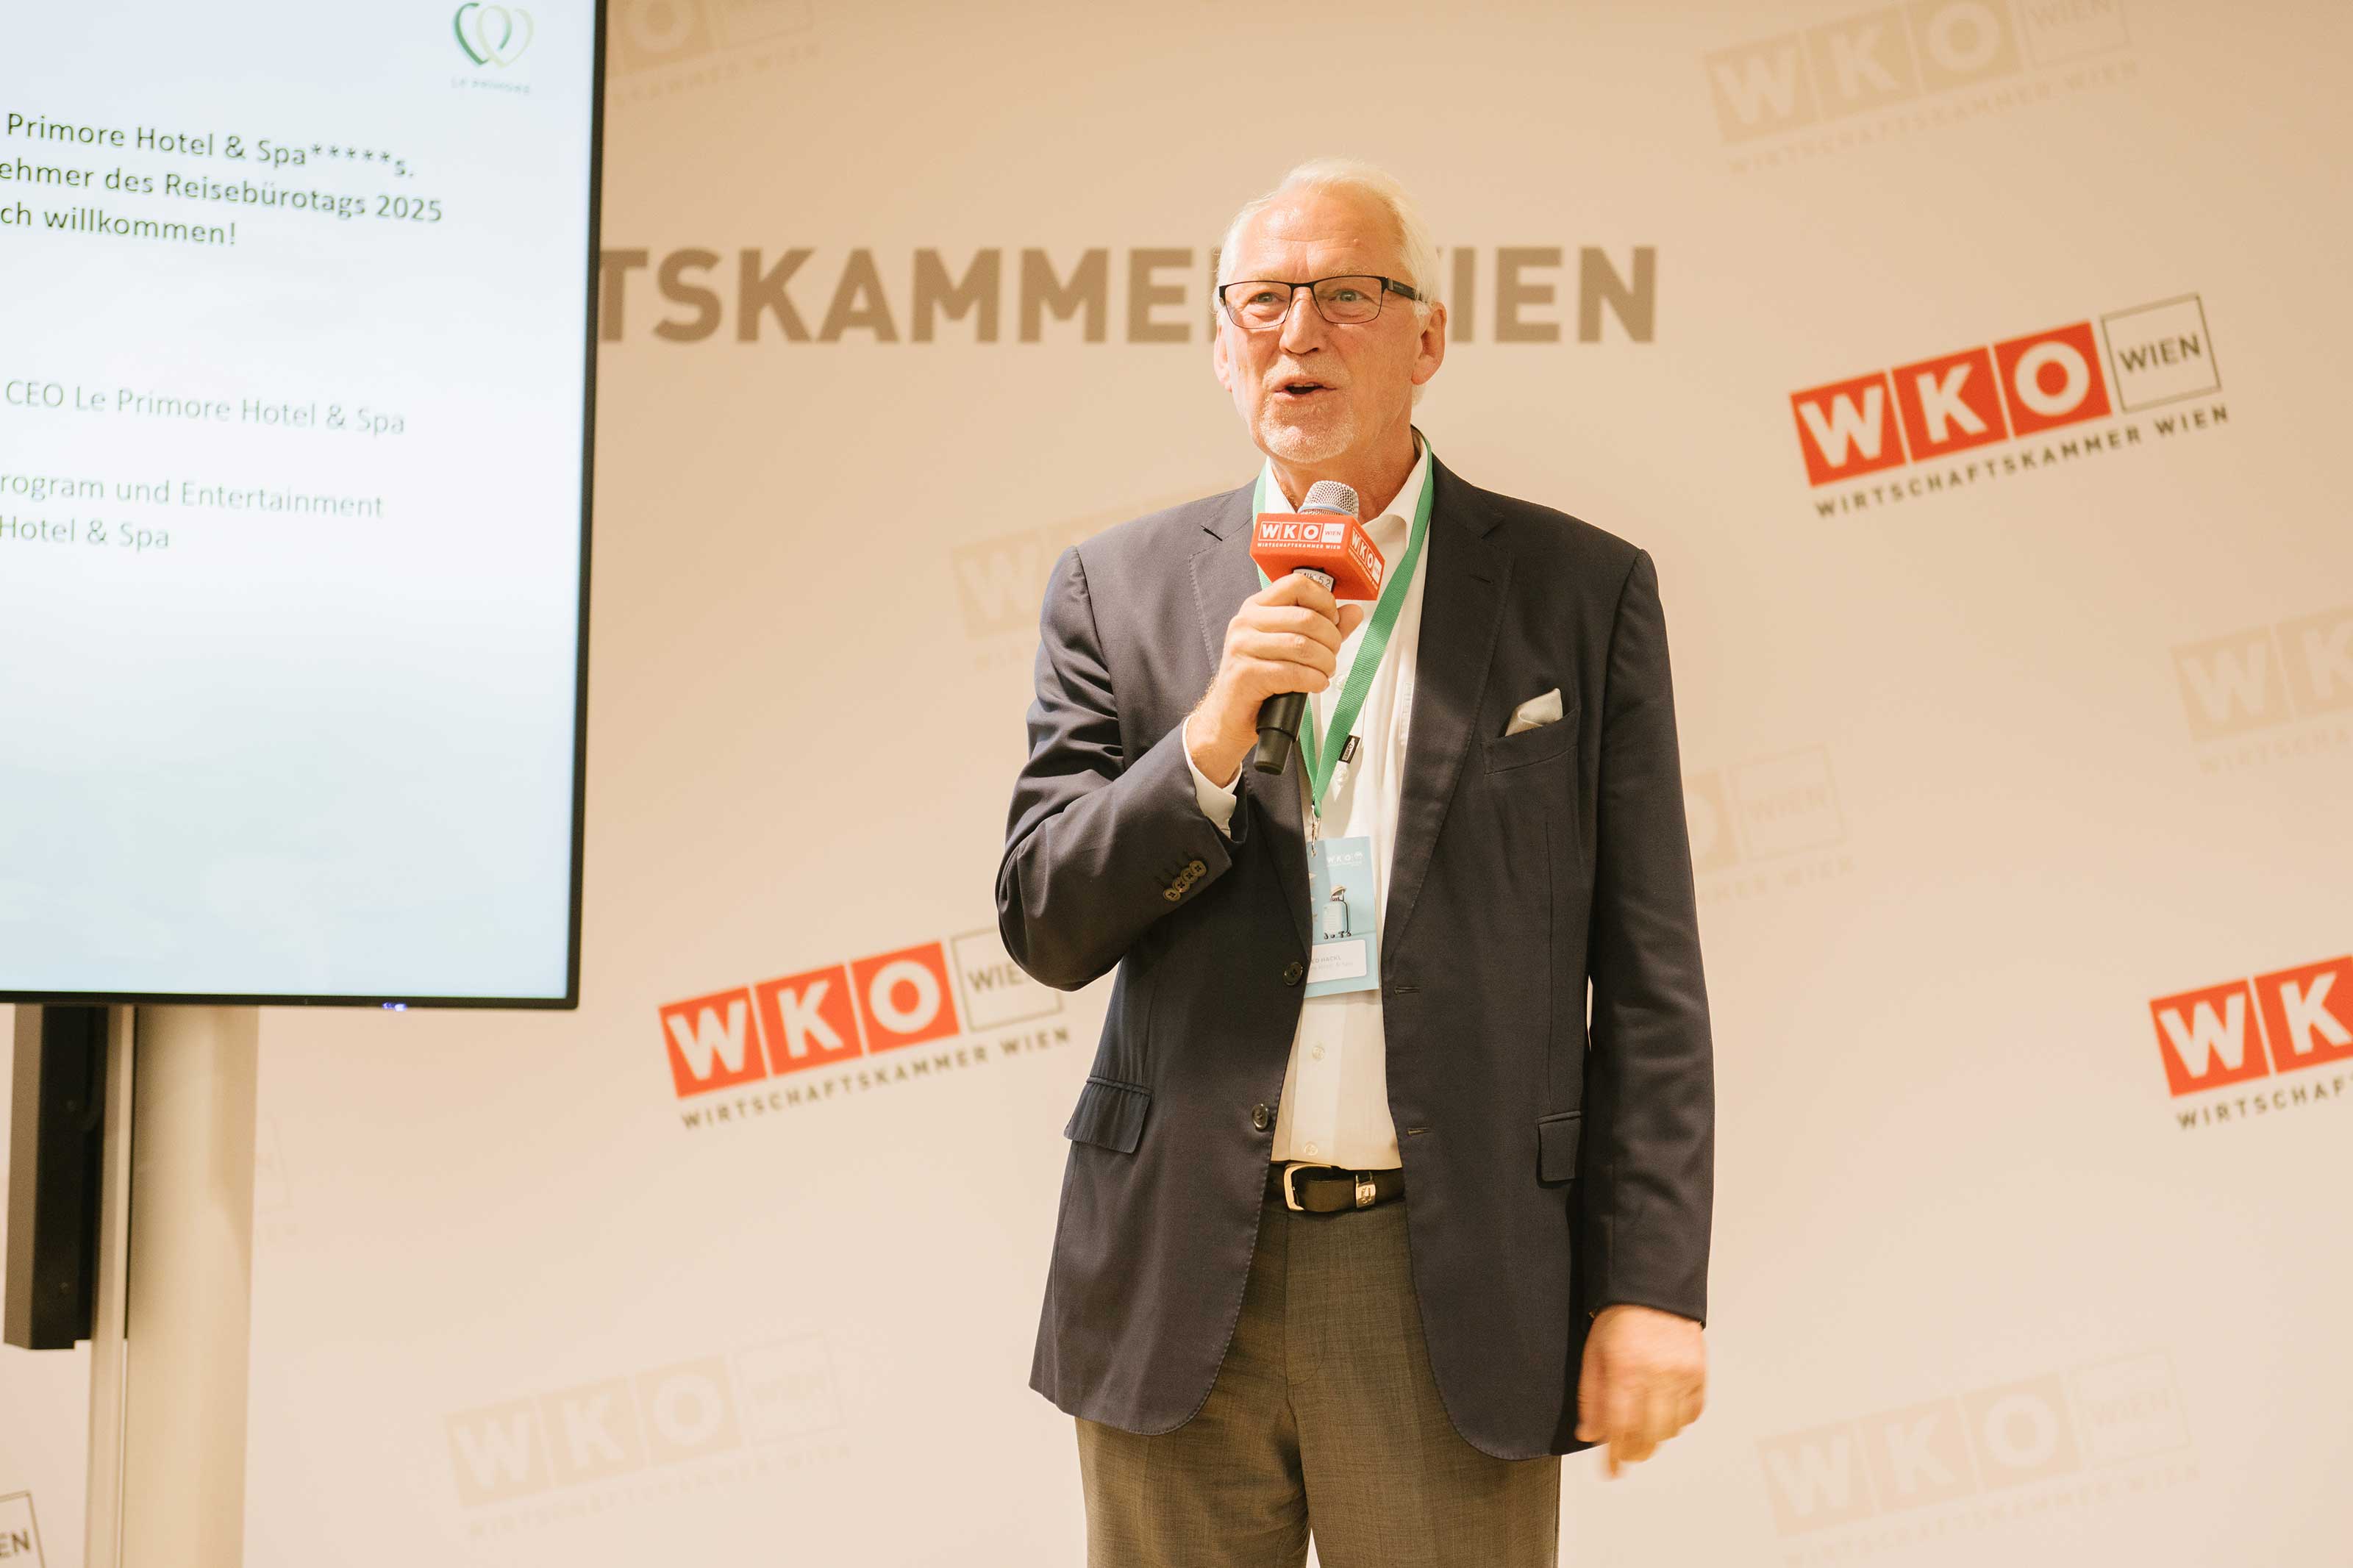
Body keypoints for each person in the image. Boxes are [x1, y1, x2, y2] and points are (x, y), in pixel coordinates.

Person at [995, 158, 1715, 1568]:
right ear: (1223, 347)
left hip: (1453, 1279)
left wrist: (1651, 1282)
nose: (1298, 331)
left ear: (1428, 339)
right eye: (1262, 300)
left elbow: (1650, 975)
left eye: (1345, 295)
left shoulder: (1581, 590)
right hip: (1179, 1269)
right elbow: (1044, 918)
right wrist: (1210, 737)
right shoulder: (1116, 591)